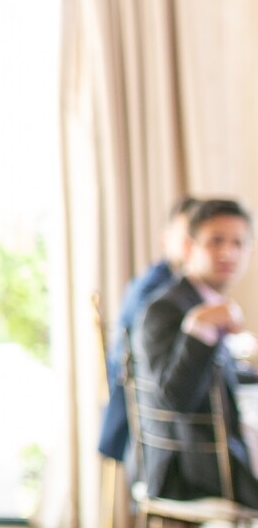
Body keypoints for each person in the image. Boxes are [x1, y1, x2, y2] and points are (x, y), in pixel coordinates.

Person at [132, 197, 258, 506]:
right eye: (216, 241)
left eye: (238, 244)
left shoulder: (208, 303)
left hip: (217, 453)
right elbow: (174, 399)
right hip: (189, 466)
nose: (228, 252)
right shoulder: (166, 309)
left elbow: (215, 377)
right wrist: (199, 329)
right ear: (189, 247)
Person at [98, 197, 196, 465]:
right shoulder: (158, 293)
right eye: (188, 236)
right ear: (166, 238)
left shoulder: (171, 283)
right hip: (144, 419)